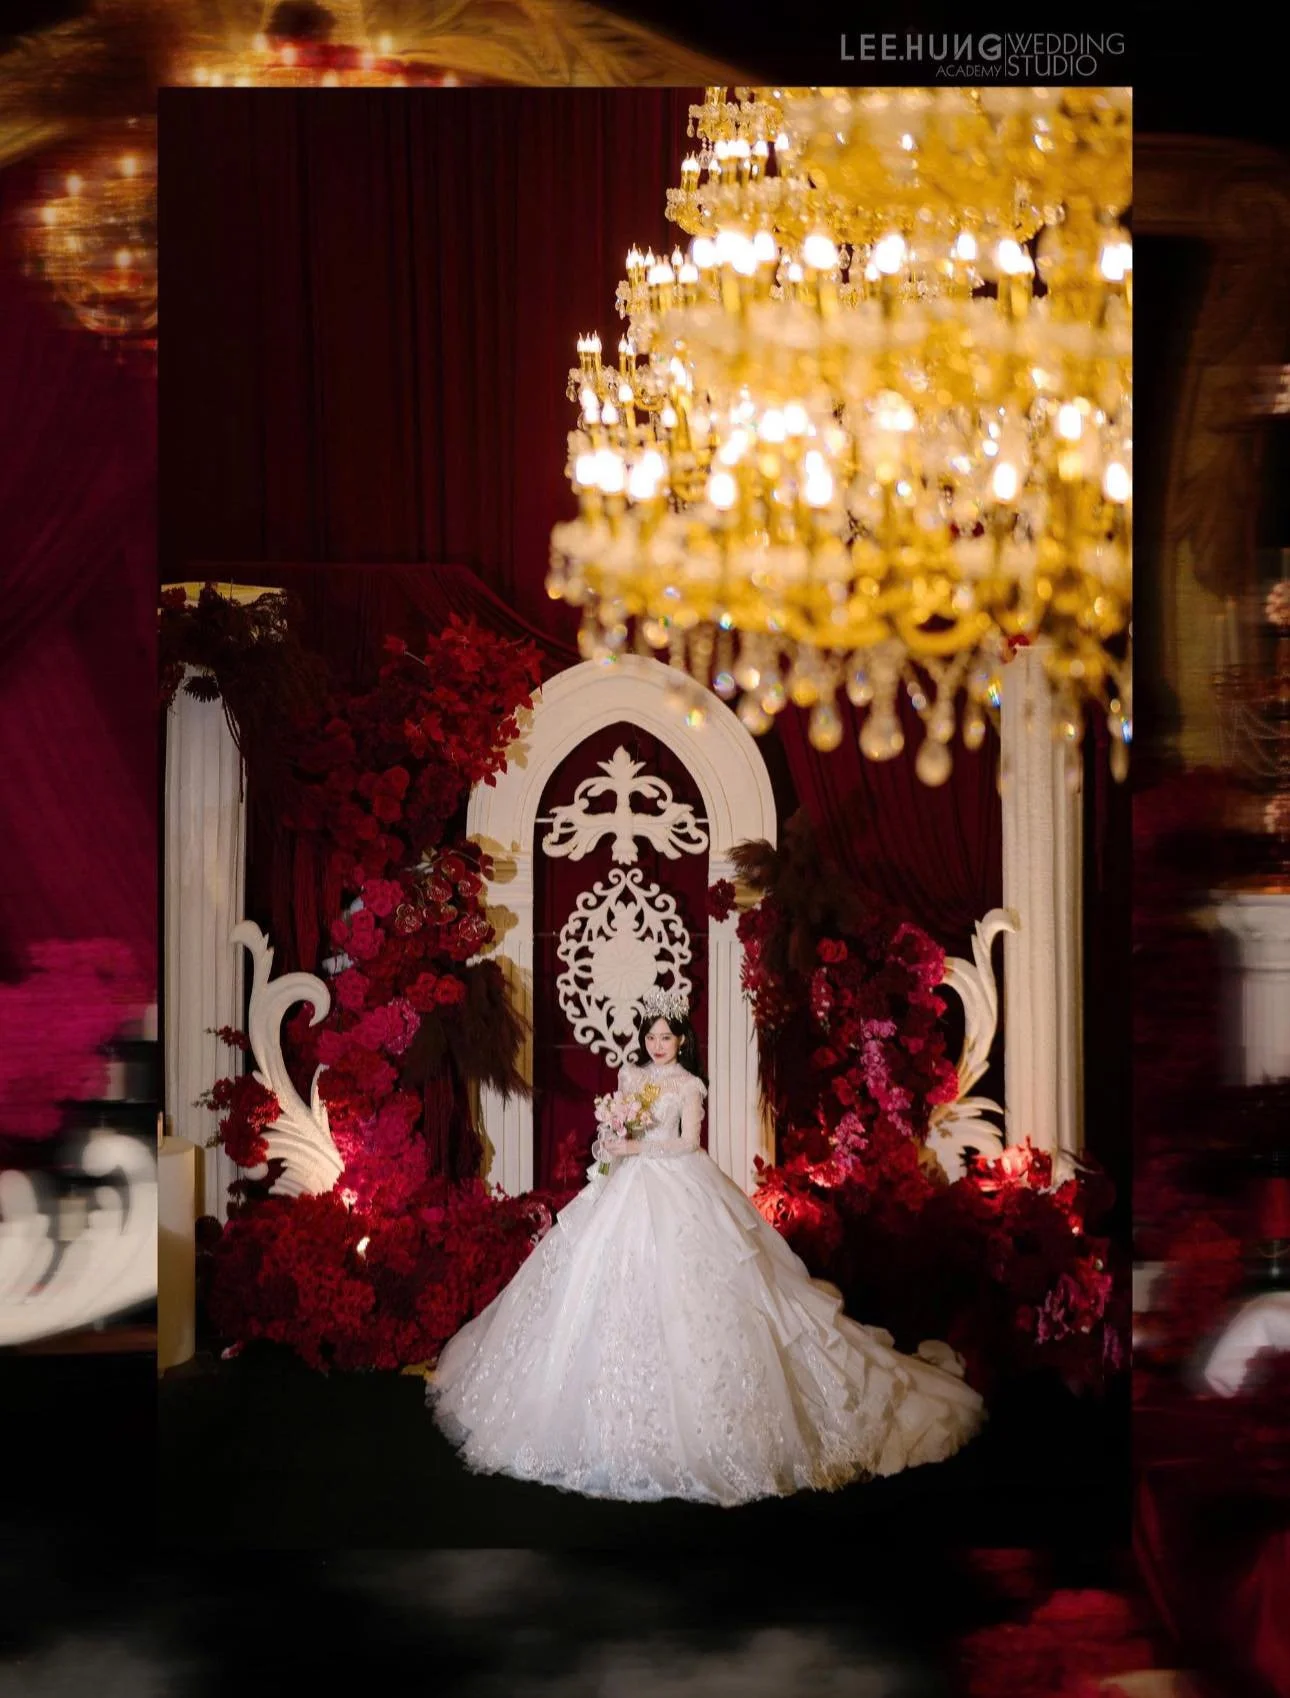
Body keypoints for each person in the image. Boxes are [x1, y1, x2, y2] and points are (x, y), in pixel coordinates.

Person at [426, 986, 984, 1505]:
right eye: (651, 1036)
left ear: (681, 1040)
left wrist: (638, 1147)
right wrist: (614, 1141)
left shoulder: (689, 1086)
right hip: (626, 1188)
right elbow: (621, 1135)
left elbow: (688, 1143)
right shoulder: (630, 1075)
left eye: (666, 1037)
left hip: (678, 1185)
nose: (657, 1045)